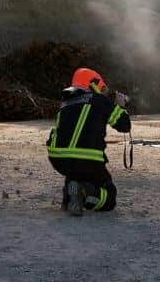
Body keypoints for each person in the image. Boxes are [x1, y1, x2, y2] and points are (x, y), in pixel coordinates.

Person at [46, 67, 131, 216]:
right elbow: (124, 126)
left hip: (59, 159)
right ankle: (84, 193)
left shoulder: (65, 103)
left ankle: (70, 197)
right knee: (109, 195)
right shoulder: (99, 101)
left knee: (75, 174)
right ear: (93, 84)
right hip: (87, 159)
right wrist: (120, 105)